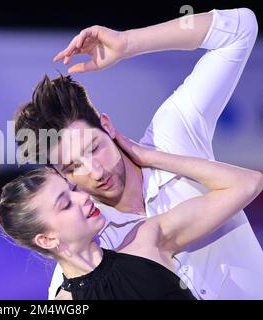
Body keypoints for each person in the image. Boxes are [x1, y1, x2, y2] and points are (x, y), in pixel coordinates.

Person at [14, 8, 263, 299]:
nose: (95, 171)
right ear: (58, 174)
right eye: (73, 167)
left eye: (94, 148)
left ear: (106, 125)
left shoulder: (172, 134)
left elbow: (240, 29)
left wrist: (129, 42)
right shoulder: (85, 248)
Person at [0, 131, 263, 299]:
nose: (82, 197)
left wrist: (150, 157)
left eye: (72, 190)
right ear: (46, 238)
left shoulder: (148, 239)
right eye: (65, 204)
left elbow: (248, 183)